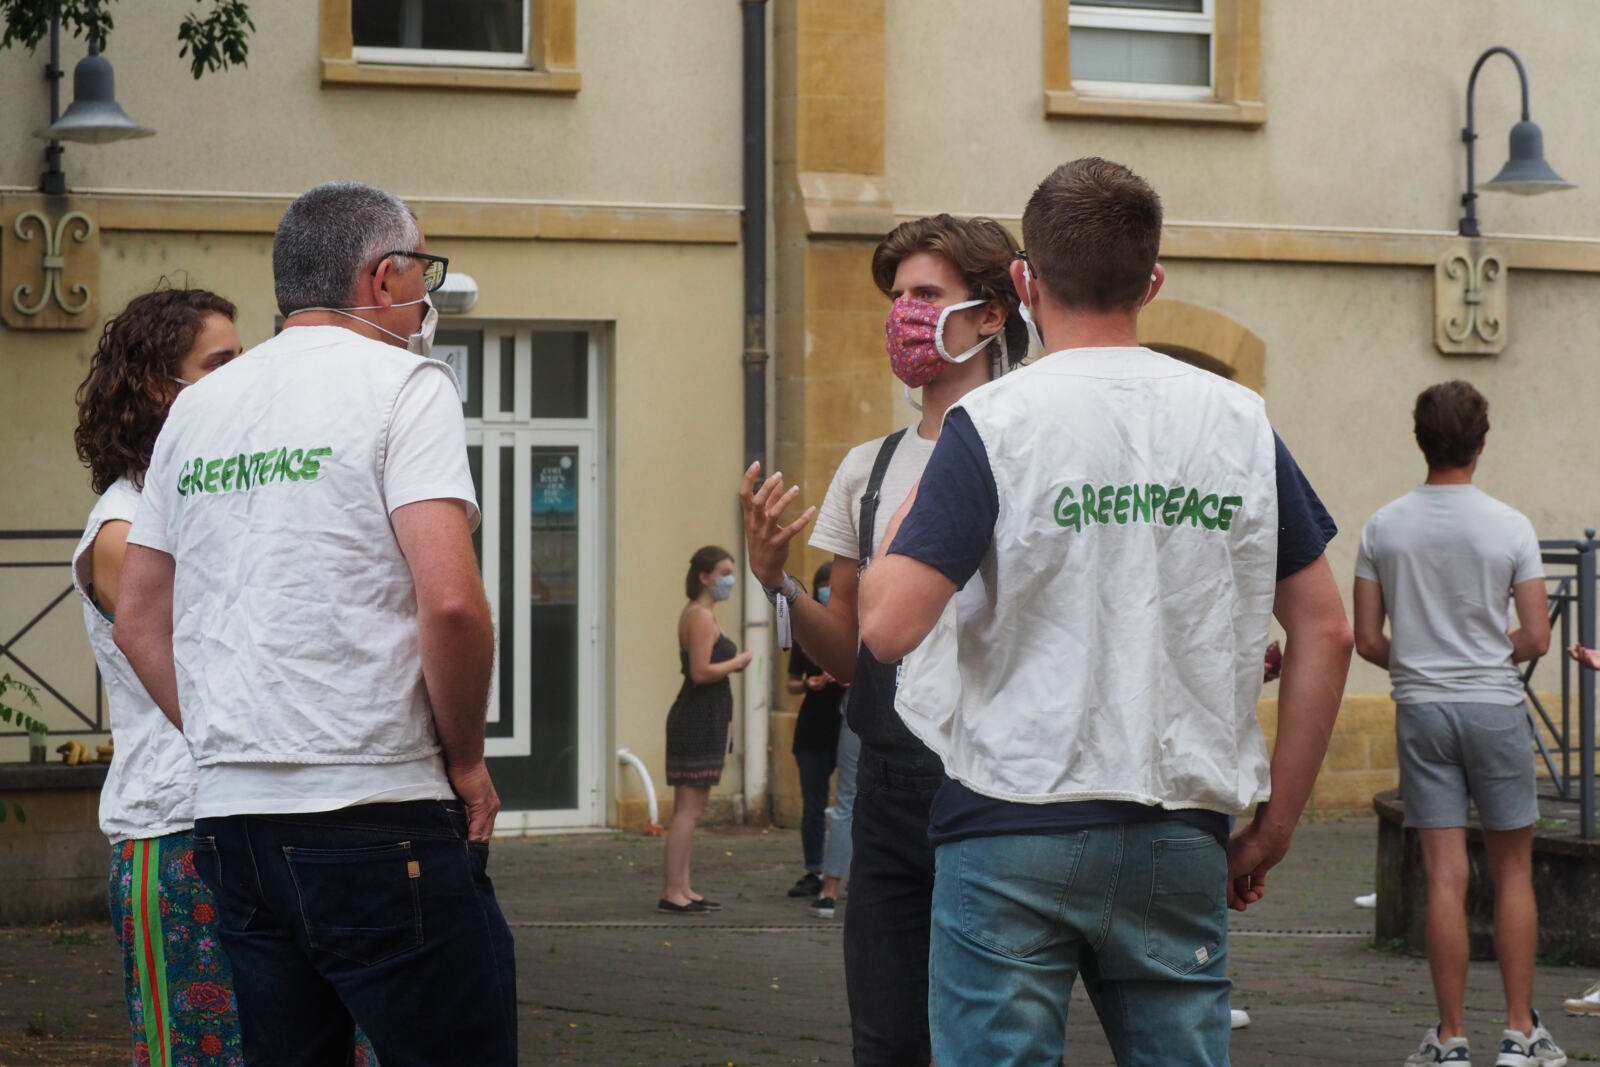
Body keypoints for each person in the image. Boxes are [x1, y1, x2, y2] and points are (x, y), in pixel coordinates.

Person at [858, 157, 1353, 1067]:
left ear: (1024, 281)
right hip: (1178, 827)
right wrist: (1274, 825)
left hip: (1011, 820)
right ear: (1152, 282)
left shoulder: (995, 425)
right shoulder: (1239, 421)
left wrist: (903, 520)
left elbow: (887, 626)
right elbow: (1327, 626)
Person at [113, 181, 516, 1067]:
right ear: (384, 276)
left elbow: (139, 617)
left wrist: (227, 732)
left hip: (232, 819)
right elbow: (450, 600)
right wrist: (468, 758)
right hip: (375, 806)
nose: (426, 300)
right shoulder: (405, 382)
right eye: (423, 271)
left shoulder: (199, 408)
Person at [741, 213, 1026, 1062]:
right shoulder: (868, 467)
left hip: (998, 776)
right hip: (891, 786)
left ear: (989, 315)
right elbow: (854, 650)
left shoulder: (1031, 444)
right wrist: (773, 578)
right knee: (887, 1036)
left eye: (926, 294)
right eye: (896, 295)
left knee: (990, 1037)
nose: (903, 312)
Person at [1354, 380, 1566, 1067]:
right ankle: (1518, 1032)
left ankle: (1449, 1038)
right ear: (1481, 441)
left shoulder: (1383, 526)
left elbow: (1366, 638)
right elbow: (1535, 636)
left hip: (1421, 706)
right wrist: (1481, 652)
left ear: (1421, 439)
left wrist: (1421, 658)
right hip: (1494, 707)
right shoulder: (1509, 525)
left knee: (1445, 874)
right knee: (1511, 872)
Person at [72, 287, 254, 1066]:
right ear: (156, 386)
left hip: (252, 814)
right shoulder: (122, 530)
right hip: (176, 832)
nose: (241, 381)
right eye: (220, 365)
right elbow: (214, 665)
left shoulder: (213, 498)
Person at [661, 545, 754, 913]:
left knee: (691, 809)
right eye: (724, 572)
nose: (729, 579)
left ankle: (682, 887)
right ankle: (672, 890)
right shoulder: (699, 615)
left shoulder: (705, 614)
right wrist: (738, 662)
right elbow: (700, 672)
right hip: (696, 717)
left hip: (706, 716)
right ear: (705, 577)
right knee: (688, 809)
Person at [784, 561, 846, 909]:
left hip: (847, 725)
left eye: (831, 584)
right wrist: (811, 682)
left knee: (849, 803)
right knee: (814, 803)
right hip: (813, 728)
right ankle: (815, 870)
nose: (826, 589)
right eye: (821, 583)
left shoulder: (854, 625)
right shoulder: (806, 630)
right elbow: (792, 684)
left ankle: (842, 869)